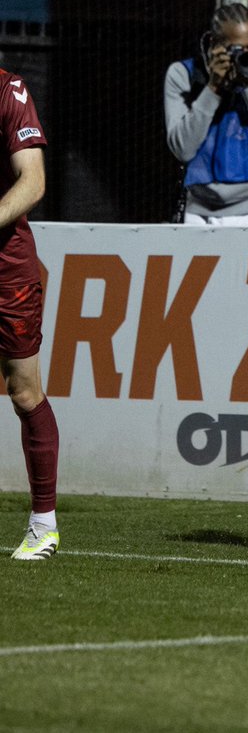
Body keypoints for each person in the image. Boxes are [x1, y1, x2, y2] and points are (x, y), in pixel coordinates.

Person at [0, 66, 63, 559]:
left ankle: (44, 524)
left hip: (7, 265)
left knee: (24, 391)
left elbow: (34, 180)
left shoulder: (9, 90)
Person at [165, 3, 248, 226]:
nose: (246, 56)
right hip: (201, 211)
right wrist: (213, 88)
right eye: (236, 50)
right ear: (213, 44)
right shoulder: (183, 74)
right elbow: (183, 149)